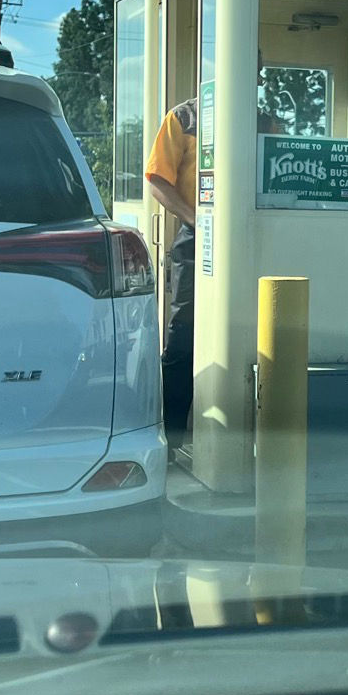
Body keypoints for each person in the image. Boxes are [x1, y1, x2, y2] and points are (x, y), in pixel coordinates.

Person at [146, 96, 199, 444]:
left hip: (252, 234)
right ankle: (173, 441)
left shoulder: (264, 121)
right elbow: (156, 179)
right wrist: (196, 220)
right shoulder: (185, 117)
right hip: (196, 240)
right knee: (182, 338)